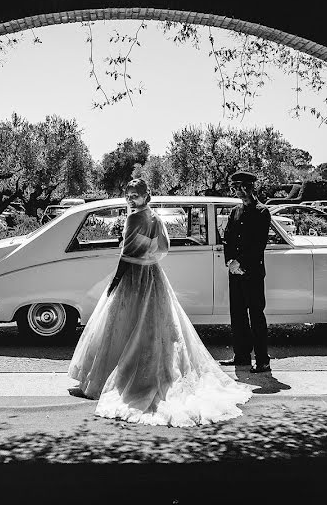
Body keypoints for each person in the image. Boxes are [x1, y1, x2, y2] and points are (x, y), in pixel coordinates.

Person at [68, 178, 252, 426]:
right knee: (152, 326)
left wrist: (115, 281)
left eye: (135, 195)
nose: (130, 199)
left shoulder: (135, 218)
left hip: (134, 277)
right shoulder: (154, 217)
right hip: (153, 275)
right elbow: (161, 248)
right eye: (128, 195)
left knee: (124, 322)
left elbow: (126, 255)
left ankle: (116, 379)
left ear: (146, 196)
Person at [220, 171, 273, 373]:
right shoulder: (235, 212)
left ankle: (262, 360)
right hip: (235, 271)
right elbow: (228, 239)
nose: (240, 192)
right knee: (238, 315)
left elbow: (258, 244)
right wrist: (231, 261)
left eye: (243, 187)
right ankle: (241, 356)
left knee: (256, 315)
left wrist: (241, 263)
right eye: (237, 188)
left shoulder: (262, 212)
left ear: (251, 188)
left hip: (252, 272)